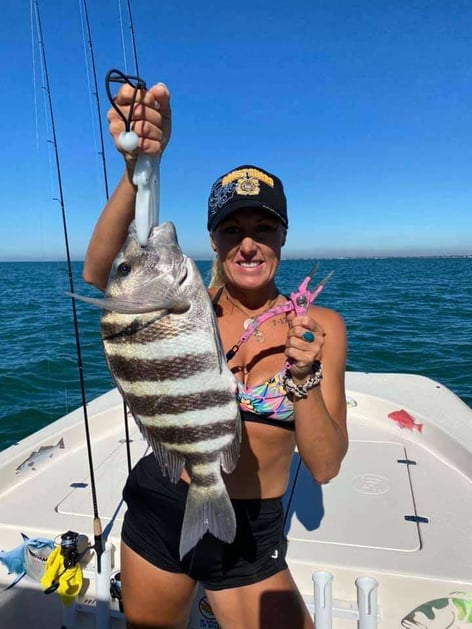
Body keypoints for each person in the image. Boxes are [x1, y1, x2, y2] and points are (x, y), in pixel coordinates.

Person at [83, 82, 348, 629]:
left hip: (251, 528)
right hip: (160, 506)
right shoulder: (185, 310)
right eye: (232, 230)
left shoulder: (319, 328)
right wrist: (140, 168)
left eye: (263, 228)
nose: (248, 244)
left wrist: (304, 377)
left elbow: (322, 466)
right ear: (214, 240)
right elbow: (101, 275)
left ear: (282, 236)